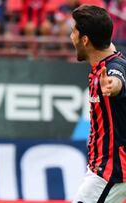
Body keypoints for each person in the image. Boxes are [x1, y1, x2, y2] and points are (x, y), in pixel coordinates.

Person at [70, 5, 126, 202]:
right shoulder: (103, 64)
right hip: (103, 169)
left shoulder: (113, 69)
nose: (71, 37)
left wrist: (114, 85)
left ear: (85, 40)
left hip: (110, 173)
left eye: (73, 32)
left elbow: (117, 80)